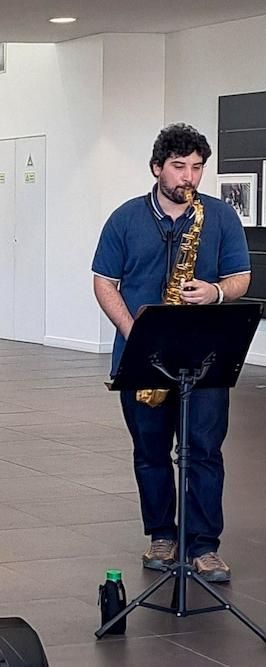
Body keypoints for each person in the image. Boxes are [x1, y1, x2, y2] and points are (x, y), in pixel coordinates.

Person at [92, 123, 250, 583]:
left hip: (205, 356)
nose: (189, 177)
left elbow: (242, 277)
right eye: (179, 167)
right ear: (157, 168)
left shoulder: (219, 217)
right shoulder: (125, 218)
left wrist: (217, 292)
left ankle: (203, 546)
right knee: (150, 451)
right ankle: (162, 534)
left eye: (197, 168)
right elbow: (104, 282)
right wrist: (134, 332)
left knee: (204, 451)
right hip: (143, 357)